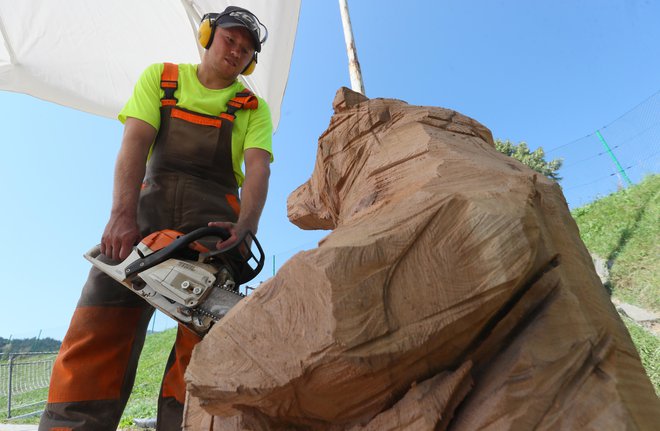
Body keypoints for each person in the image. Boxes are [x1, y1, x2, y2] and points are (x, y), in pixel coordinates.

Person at [39, 6, 272, 431]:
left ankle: (185, 425)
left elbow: (258, 169)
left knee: (204, 342)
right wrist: (120, 216)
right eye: (230, 40)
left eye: (245, 49)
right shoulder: (162, 79)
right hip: (143, 221)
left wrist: (246, 229)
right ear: (208, 36)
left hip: (213, 228)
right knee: (98, 326)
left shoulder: (251, 107)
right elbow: (134, 143)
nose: (236, 51)